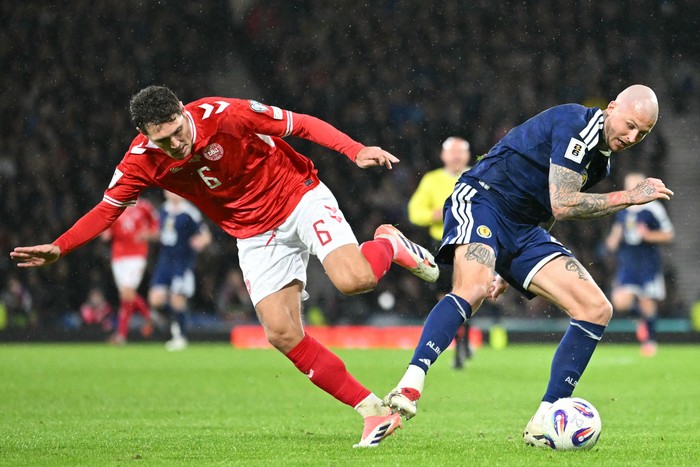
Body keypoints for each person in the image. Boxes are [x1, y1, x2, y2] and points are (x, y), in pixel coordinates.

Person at [10, 85, 438, 448]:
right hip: (253, 234)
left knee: (354, 280)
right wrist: (60, 247)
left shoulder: (227, 114)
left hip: (298, 196)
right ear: (144, 135)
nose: (175, 145)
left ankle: (389, 242)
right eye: (163, 141)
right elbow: (107, 209)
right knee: (282, 333)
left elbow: (300, 123)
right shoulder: (141, 159)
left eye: (177, 132)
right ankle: (372, 410)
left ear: (183, 113)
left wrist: (355, 149)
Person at [382, 84, 673, 447]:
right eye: (630, 124)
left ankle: (545, 419)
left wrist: (509, 266)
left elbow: (549, 209)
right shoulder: (575, 123)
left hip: (523, 227)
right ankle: (410, 383)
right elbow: (564, 203)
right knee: (472, 288)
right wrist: (631, 197)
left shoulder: (601, 161)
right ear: (612, 107)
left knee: (597, 308)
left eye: (642, 134)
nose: (632, 137)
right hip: (483, 198)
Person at [408, 136, 473, 369]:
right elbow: (415, 212)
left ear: (467, 155)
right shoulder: (431, 180)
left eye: (460, 152)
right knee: (446, 297)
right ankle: (459, 343)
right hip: (443, 245)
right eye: (451, 152)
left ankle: (462, 342)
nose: (456, 156)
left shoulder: (476, 174)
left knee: (469, 293)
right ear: (443, 156)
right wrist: (434, 215)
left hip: (470, 241)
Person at [605, 172, 674, 357]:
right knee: (620, 302)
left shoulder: (654, 208)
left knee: (647, 301)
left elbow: (668, 234)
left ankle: (650, 340)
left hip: (647, 262)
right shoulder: (623, 209)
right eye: (629, 185)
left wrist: (649, 236)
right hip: (627, 261)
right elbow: (616, 234)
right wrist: (612, 241)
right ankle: (642, 320)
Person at [149, 190, 211, 351]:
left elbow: (206, 235)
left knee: (177, 299)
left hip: (182, 263)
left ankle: (180, 335)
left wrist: (201, 241)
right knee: (155, 300)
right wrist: (147, 236)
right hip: (164, 262)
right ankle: (176, 319)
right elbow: (160, 233)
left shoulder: (189, 212)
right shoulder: (162, 210)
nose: (170, 193)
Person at [101, 197, 160, 345]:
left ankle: (144, 319)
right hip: (118, 257)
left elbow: (157, 229)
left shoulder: (145, 207)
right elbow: (106, 230)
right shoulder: (115, 206)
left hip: (137, 255)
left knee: (128, 292)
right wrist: (105, 232)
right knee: (126, 297)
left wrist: (148, 234)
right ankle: (124, 334)